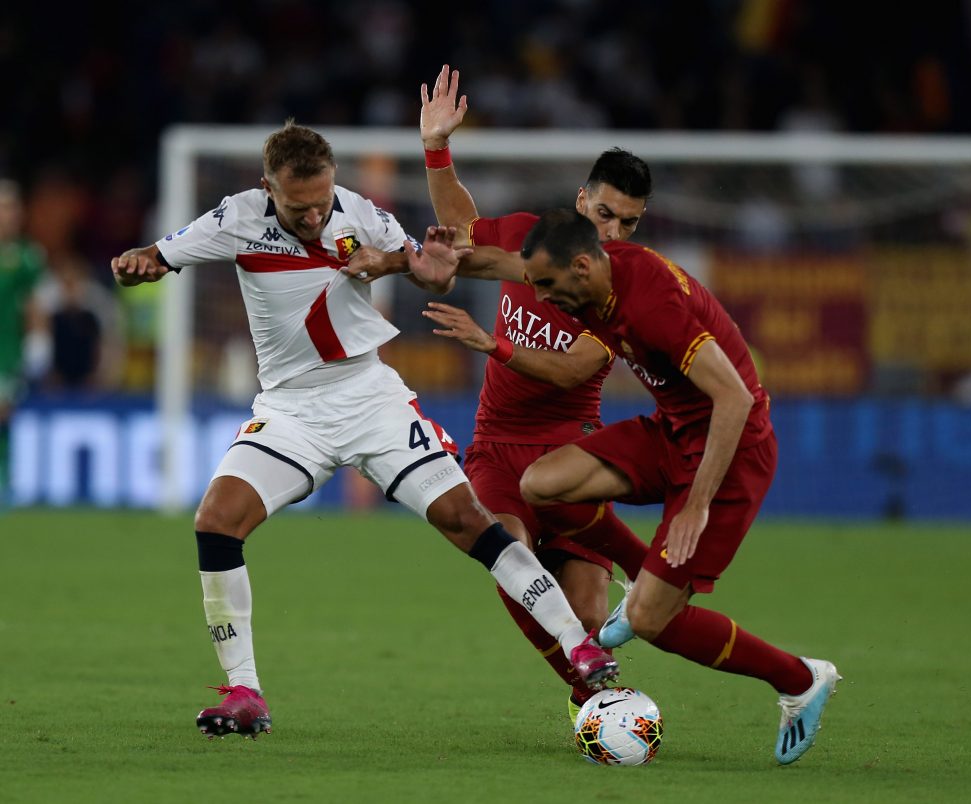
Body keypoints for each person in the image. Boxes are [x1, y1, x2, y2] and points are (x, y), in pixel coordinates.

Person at [109, 122, 618, 740]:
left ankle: (579, 647)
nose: (316, 214)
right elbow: (159, 256)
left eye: (324, 199)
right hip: (293, 411)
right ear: (268, 189)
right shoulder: (235, 218)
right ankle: (243, 690)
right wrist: (140, 264)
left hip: (370, 397)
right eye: (300, 206)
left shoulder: (362, 214)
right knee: (216, 519)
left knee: (468, 520)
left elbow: (435, 274)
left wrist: (423, 263)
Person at [425, 209, 841, 765]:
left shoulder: (651, 307)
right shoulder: (601, 269)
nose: (543, 300)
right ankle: (642, 571)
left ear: (580, 266)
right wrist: (399, 254)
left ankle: (799, 679)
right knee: (543, 484)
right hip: (671, 432)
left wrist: (696, 505)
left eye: (548, 287)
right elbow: (497, 259)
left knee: (652, 621)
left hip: (730, 452)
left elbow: (736, 398)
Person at [418, 65, 652, 719]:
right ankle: (597, 696)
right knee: (510, 557)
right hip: (498, 447)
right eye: (605, 214)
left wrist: (492, 344)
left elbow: (573, 371)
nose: (613, 234)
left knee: (583, 614)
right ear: (582, 201)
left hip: (572, 452)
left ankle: (623, 630)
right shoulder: (532, 239)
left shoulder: (624, 290)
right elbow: (462, 231)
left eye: (628, 224)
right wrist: (437, 148)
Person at [0, 179, 50, 503]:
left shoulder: (28, 256)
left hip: (6, 350)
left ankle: (5, 482)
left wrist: (39, 339)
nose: (9, 215)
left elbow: (33, 302)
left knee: (4, 412)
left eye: (12, 208)